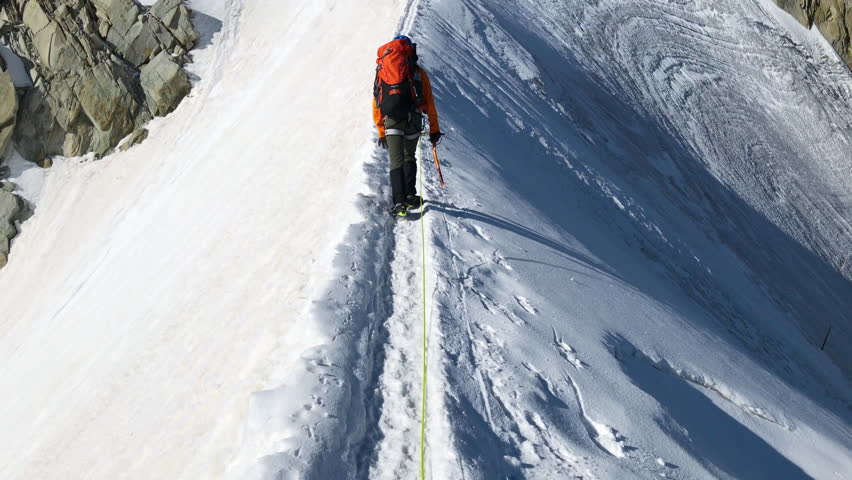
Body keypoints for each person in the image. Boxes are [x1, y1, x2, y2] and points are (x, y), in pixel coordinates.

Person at [372, 35, 443, 217]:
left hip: (392, 119)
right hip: (414, 119)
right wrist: (434, 129)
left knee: (395, 160)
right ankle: (411, 195)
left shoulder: (382, 71)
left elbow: (377, 102)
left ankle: (399, 203)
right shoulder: (418, 72)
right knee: (409, 156)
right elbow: (430, 102)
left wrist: (381, 130)